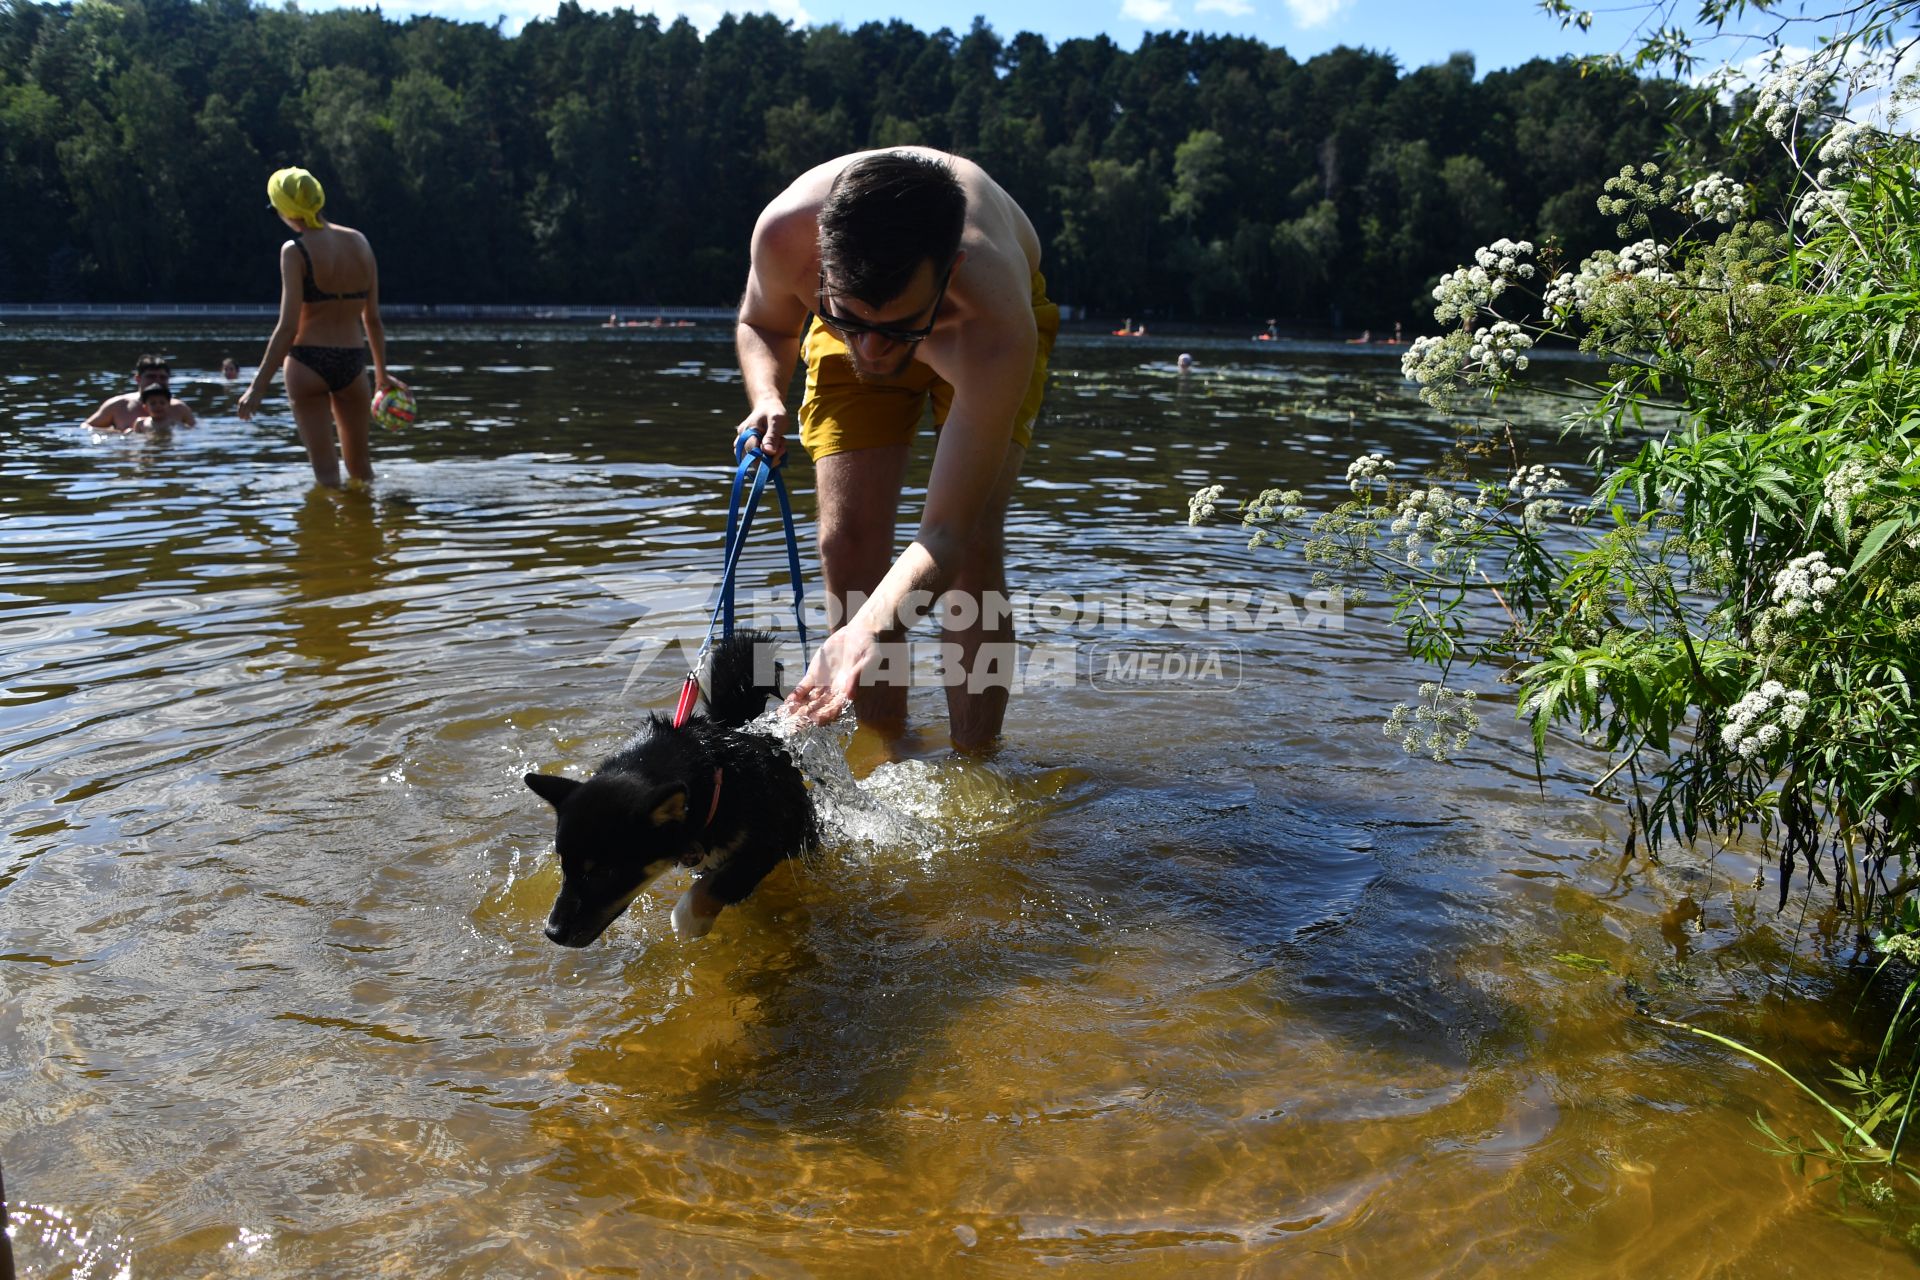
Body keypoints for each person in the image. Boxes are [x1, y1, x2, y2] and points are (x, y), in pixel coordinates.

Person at [733, 148, 1059, 752]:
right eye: (856, 324)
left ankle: (974, 760)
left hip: (967, 331)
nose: (875, 357)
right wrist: (767, 395)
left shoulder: (996, 322)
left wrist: (867, 632)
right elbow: (765, 323)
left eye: (896, 330)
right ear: (821, 264)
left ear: (951, 267)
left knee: (975, 548)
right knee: (846, 541)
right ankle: (881, 751)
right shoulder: (786, 235)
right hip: (868, 305)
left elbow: (943, 534)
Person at [237, 166, 405, 488]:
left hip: (306, 364)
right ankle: (365, 535)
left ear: (286, 210)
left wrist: (257, 387)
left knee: (326, 477)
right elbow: (372, 319)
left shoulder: (294, 251)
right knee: (362, 471)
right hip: (353, 364)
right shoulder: (360, 243)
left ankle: (329, 537)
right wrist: (382, 375)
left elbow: (287, 327)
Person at [85, 354, 193, 431]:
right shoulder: (118, 406)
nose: (157, 381)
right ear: (138, 379)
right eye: (151, 377)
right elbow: (86, 427)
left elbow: (195, 432)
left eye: (162, 377)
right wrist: (117, 434)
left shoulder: (179, 408)